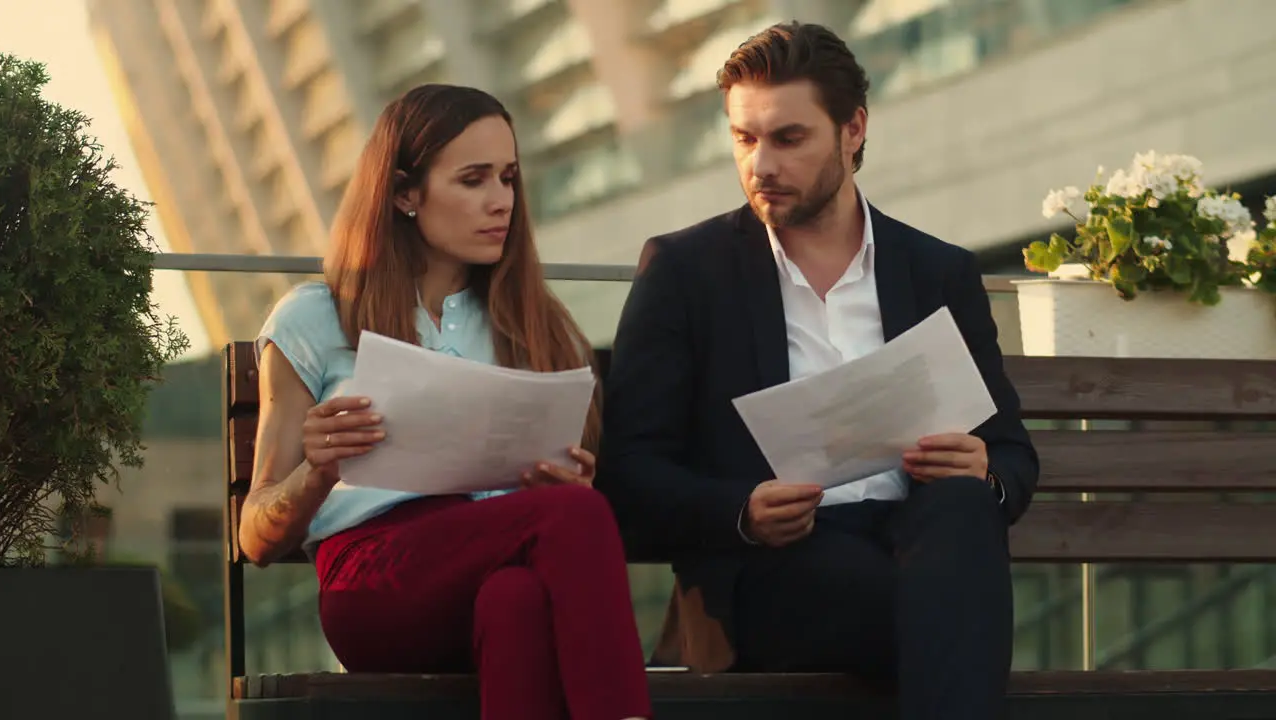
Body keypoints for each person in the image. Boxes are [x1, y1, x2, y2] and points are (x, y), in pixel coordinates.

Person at [596, 21, 1038, 720]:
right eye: (745, 138)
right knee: (948, 609)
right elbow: (627, 476)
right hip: (769, 570)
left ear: (853, 129)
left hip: (915, 543)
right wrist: (741, 511)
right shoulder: (685, 273)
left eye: (788, 138)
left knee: (959, 510)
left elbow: (1013, 457)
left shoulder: (936, 272)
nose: (761, 164)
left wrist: (981, 466)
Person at [239, 84, 651, 720]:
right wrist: (318, 469)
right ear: (405, 193)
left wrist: (564, 476)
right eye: (473, 179)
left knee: (515, 600)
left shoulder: (538, 326)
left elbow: (552, 508)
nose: (501, 201)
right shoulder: (316, 318)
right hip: (371, 581)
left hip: (496, 566)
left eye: (509, 178)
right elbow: (256, 536)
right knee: (572, 516)